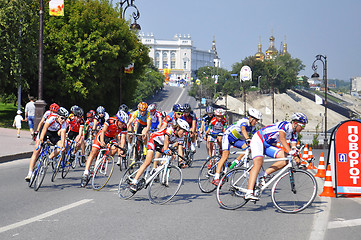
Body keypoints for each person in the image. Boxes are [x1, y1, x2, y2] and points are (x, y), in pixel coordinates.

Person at [244, 112, 308, 201]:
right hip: (258, 139)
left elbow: (293, 148)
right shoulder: (285, 125)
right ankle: (249, 192)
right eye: (303, 126)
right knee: (258, 163)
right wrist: (291, 152)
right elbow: (282, 139)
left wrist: (298, 160)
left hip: (267, 144)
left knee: (286, 160)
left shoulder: (295, 134)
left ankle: (263, 175)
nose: (303, 128)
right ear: (296, 123)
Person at [129, 119, 190, 193]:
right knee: (147, 162)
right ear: (178, 128)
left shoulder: (181, 137)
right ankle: (134, 182)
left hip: (161, 145)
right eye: (183, 131)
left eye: (185, 132)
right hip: (154, 141)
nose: (184, 134)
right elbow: (166, 142)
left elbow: (180, 149)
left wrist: (181, 162)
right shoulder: (169, 130)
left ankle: (158, 169)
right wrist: (167, 150)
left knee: (172, 156)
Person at [212, 108, 262, 185]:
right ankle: (216, 177)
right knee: (225, 156)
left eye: (257, 121)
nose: (256, 122)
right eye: (256, 120)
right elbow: (243, 129)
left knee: (249, 148)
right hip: (228, 136)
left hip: (236, 140)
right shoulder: (244, 121)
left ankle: (234, 163)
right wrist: (248, 139)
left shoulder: (253, 127)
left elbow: (258, 136)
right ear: (251, 118)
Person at [81, 110, 129, 184]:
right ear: (117, 120)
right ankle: (86, 172)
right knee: (93, 152)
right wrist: (102, 141)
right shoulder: (110, 121)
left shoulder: (124, 127)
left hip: (111, 138)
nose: (122, 125)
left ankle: (103, 159)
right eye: (121, 123)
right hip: (102, 136)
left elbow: (122, 139)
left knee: (115, 149)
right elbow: (103, 131)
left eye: (124, 123)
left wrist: (122, 150)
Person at [25, 107, 69, 182]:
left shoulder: (64, 123)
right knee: (37, 150)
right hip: (45, 131)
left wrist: (63, 147)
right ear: (57, 116)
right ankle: (30, 173)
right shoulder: (52, 118)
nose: (63, 120)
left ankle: (48, 158)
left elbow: (63, 135)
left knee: (60, 147)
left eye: (65, 119)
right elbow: (45, 128)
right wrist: (41, 139)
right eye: (62, 118)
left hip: (54, 134)